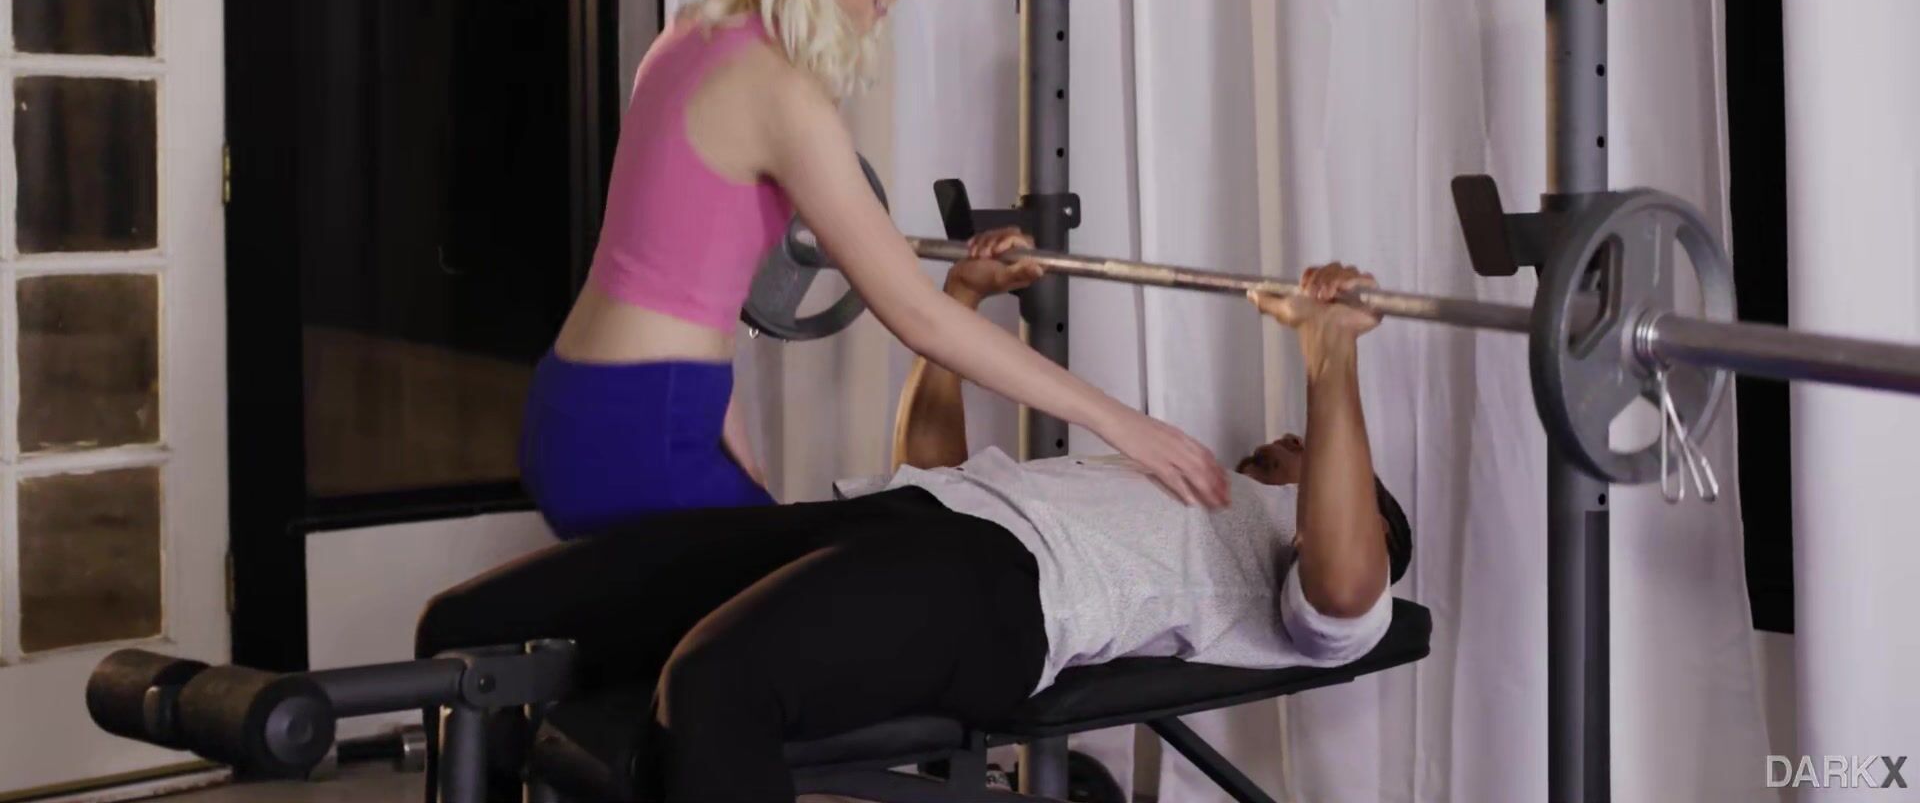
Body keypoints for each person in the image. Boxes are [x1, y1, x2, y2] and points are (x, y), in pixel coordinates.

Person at [417, 240, 1412, 802]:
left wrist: (1331, 360)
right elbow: (934, 471)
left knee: (715, 684)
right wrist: (959, 301)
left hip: (1002, 591)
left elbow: (1342, 582)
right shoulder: (1167, 475)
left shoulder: (1300, 558)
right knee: (471, 627)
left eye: (1308, 453)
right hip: (889, 520)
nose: (1284, 440)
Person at [520, 0, 1226, 538]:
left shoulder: (687, 36)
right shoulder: (782, 94)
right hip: (645, 435)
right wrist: (1123, 424)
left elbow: (676, 265)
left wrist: (730, 444)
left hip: (576, 403)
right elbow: (917, 316)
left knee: (754, 582)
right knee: (802, 599)